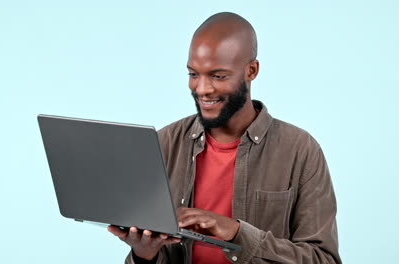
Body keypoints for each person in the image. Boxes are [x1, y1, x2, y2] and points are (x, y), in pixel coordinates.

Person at [108, 12, 342, 264]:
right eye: (193, 74)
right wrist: (144, 255)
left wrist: (238, 233)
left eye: (218, 76)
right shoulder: (164, 143)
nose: (202, 89)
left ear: (251, 70)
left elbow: (323, 259)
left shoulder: (300, 150)